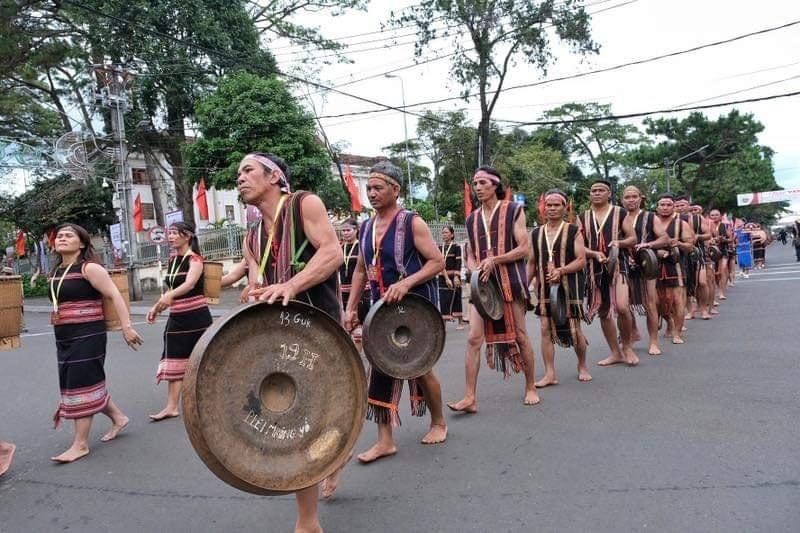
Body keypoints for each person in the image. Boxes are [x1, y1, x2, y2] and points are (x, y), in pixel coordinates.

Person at [235, 152, 344, 531]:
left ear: (275, 176)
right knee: (301, 421)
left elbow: (333, 252)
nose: (240, 178)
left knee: (321, 420)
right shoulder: (251, 235)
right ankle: (309, 520)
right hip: (280, 342)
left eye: (248, 170)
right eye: (238, 174)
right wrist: (253, 291)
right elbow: (258, 280)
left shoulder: (304, 205)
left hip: (321, 334)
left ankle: (324, 478)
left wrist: (293, 284)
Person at [343, 161, 448, 463]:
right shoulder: (365, 227)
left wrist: (407, 283)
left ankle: (438, 422)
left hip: (414, 309)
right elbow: (361, 270)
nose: (372, 194)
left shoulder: (412, 222)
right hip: (381, 311)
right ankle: (385, 440)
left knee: (420, 368)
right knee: (380, 367)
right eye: (369, 189)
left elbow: (437, 262)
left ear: (395, 190)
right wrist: (351, 308)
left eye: (378, 188)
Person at [448, 166, 540, 412]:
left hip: (509, 282)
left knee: (520, 335)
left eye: (482, 183)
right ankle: (469, 397)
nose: (477, 187)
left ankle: (530, 386)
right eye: (475, 183)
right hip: (484, 288)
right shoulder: (471, 219)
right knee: (473, 338)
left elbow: (523, 248)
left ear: (495, 185)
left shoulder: (513, 210)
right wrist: (474, 268)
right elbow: (470, 254)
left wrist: (495, 260)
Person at [48, 223, 143, 463]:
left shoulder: (89, 268)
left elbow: (114, 295)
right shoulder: (58, 270)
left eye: (69, 235)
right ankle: (119, 418)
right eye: (59, 235)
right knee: (82, 379)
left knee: (82, 381)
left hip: (88, 334)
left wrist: (127, 327)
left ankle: (80, 445)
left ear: (81, 243)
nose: (62, 238)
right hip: (64, 336)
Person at [146, 222, 213, 421]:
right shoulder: (173, 260)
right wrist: (156, 307)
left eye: (175, 233)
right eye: (170, 233)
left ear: (188, 236)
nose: (171, 237)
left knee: (204, 359)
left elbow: (190, 284)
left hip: (197, 317)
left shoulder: (195, 259)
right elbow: (171, 291)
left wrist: (169, 296)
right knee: (174, 359)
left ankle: (209, 401)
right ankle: (172, 406)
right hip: (177, 317)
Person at [528, 189, 591, 385]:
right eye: (549, 205)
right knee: (545, 328)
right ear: (543, 208)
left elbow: (581, 260)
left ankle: (582, 365)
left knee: (574, 328)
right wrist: (524, 285)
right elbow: (531, 262)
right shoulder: (536, 233)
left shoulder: (573, 231)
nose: (552, 208)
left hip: (570, 286)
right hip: (545, 288)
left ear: (565, 208)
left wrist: (562, 270)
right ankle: (549, 373)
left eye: (556, 205)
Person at [577, 179, 638, 366]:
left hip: (617, 263)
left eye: (601, 190)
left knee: (622, 307)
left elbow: (633, 238)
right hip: (594, 269)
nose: (596, 193)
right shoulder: (583, 216)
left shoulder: (620, 213)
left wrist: (619, 243)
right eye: (593, 190)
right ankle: (615, 352)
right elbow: (578, 245)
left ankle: (627, 346)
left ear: (609, 193)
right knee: (604, 312)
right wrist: (593, 253)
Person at [620, 186, 669, 356]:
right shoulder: (618, 217)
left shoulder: (650, 217)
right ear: (622, 200)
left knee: (650, 304)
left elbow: (664, 238)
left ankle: (654, 342)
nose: (631, 200)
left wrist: (649, 244)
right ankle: (632, 332)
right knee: (623, 305)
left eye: (634, 196)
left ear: (640, 199)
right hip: (624, 265)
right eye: (627, 197)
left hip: (646, 265)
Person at [652, 195, 696, 344]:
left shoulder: (681, 224)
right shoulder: (651, 222)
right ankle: (669, 321)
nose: (665, 207)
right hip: (653, 266)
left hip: (676, 265)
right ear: (657, 207)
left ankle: (677, 333)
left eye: (668, 205)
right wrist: (656, 251)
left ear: (673, 207)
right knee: (657, 302)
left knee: (678, 301)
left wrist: (677, 244)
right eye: (662, 204)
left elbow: (690, 246)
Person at [338, 218, 370, 346]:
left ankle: (361, 360)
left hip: (361, 293)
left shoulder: (361, 247)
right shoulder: (339, 247)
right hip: (343, 292)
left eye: (348, 230)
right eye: (343, 231)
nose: (345, 233)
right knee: (347, 326)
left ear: (356, 230)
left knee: (359, 329)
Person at [438, 225, 465, 329]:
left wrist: (456, 277)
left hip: (454, 276)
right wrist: (446, 278)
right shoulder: (440, 248)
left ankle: (461, 322)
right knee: (443, 298)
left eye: (446, 232)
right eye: (443, 233)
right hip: (442, 277)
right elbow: (440, 264)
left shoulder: (456, 247)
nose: (444, 235)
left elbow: (458, 262)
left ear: (452, 234)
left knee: (457, 298)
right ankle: (443, 324)